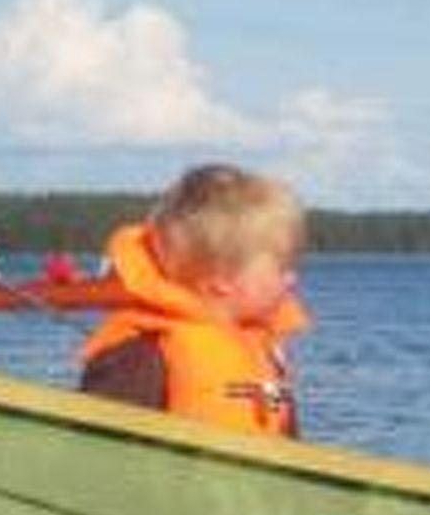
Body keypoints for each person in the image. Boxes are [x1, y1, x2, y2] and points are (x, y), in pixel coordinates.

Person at [79, 163, 307, 437]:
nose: (292, 278)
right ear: (223, 280)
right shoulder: (140, 359)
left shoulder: (263, 353)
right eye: (282, 267)